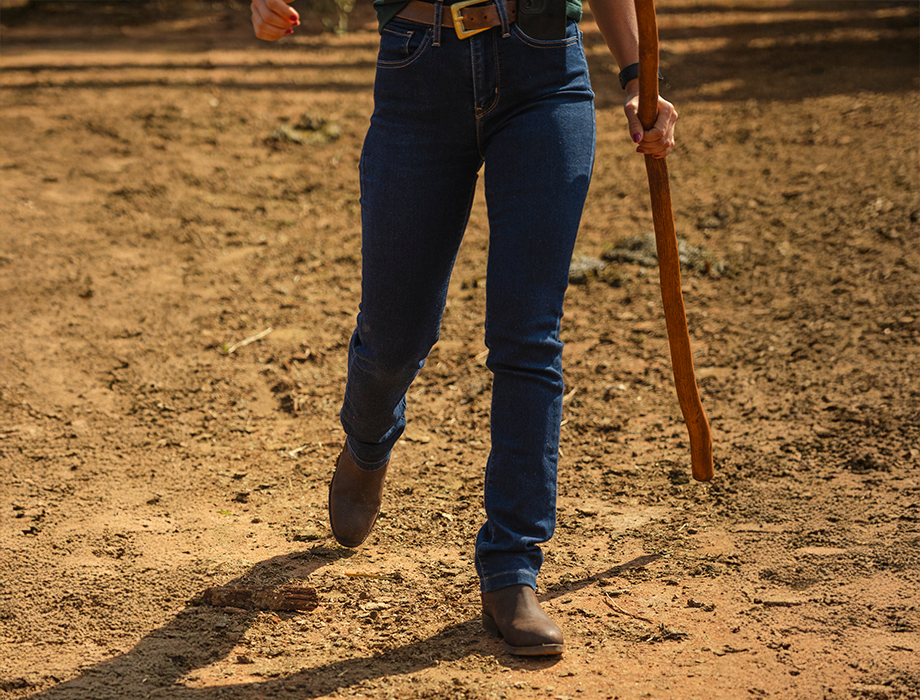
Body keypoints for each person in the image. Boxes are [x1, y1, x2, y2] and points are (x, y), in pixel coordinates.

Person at [251, 0, 677, 656]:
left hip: (542, 68)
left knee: (527, 332)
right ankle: (367, 443)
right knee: (395, 334)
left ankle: (512, 569)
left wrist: (633, 75)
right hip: (418, 67)